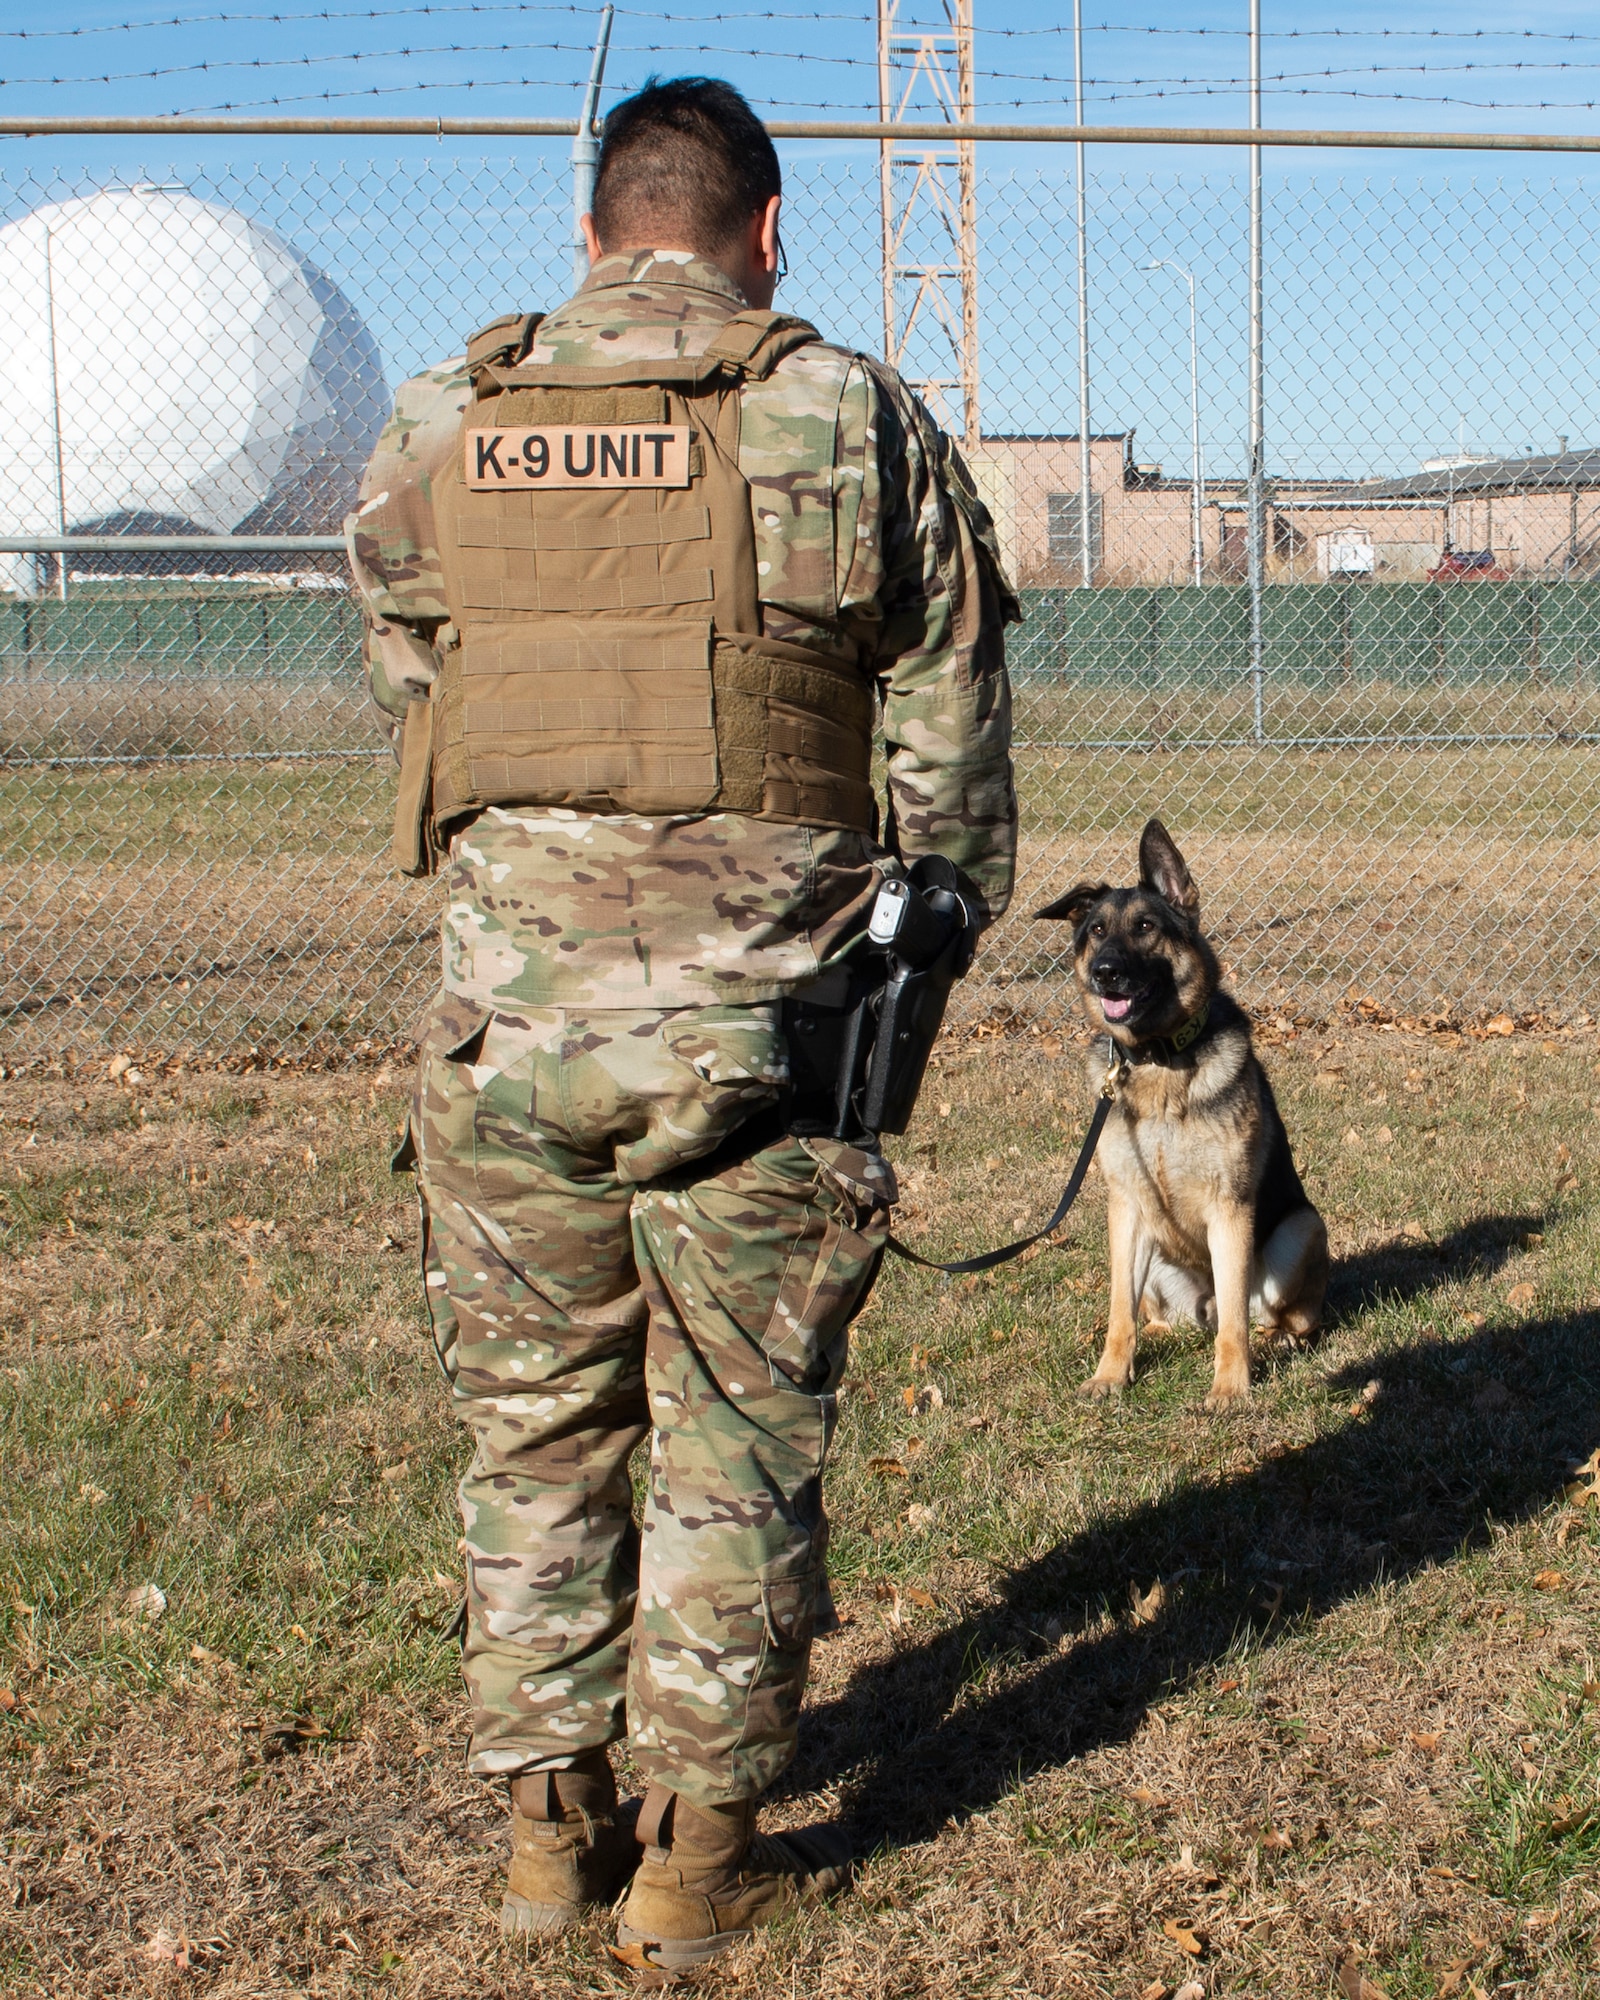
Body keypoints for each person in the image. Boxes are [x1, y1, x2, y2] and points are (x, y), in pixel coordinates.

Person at [347, 74, 1018, 1970]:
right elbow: (951, 734)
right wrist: (915, 956)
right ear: (769, 228)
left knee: (534, 1435)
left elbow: (413, 659)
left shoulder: (442, 416)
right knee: (739, 1434)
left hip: (512, 1046)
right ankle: (696, 1865)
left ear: (591, 230)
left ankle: (546, 1842)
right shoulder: (844, 410)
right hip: (767, 1048)